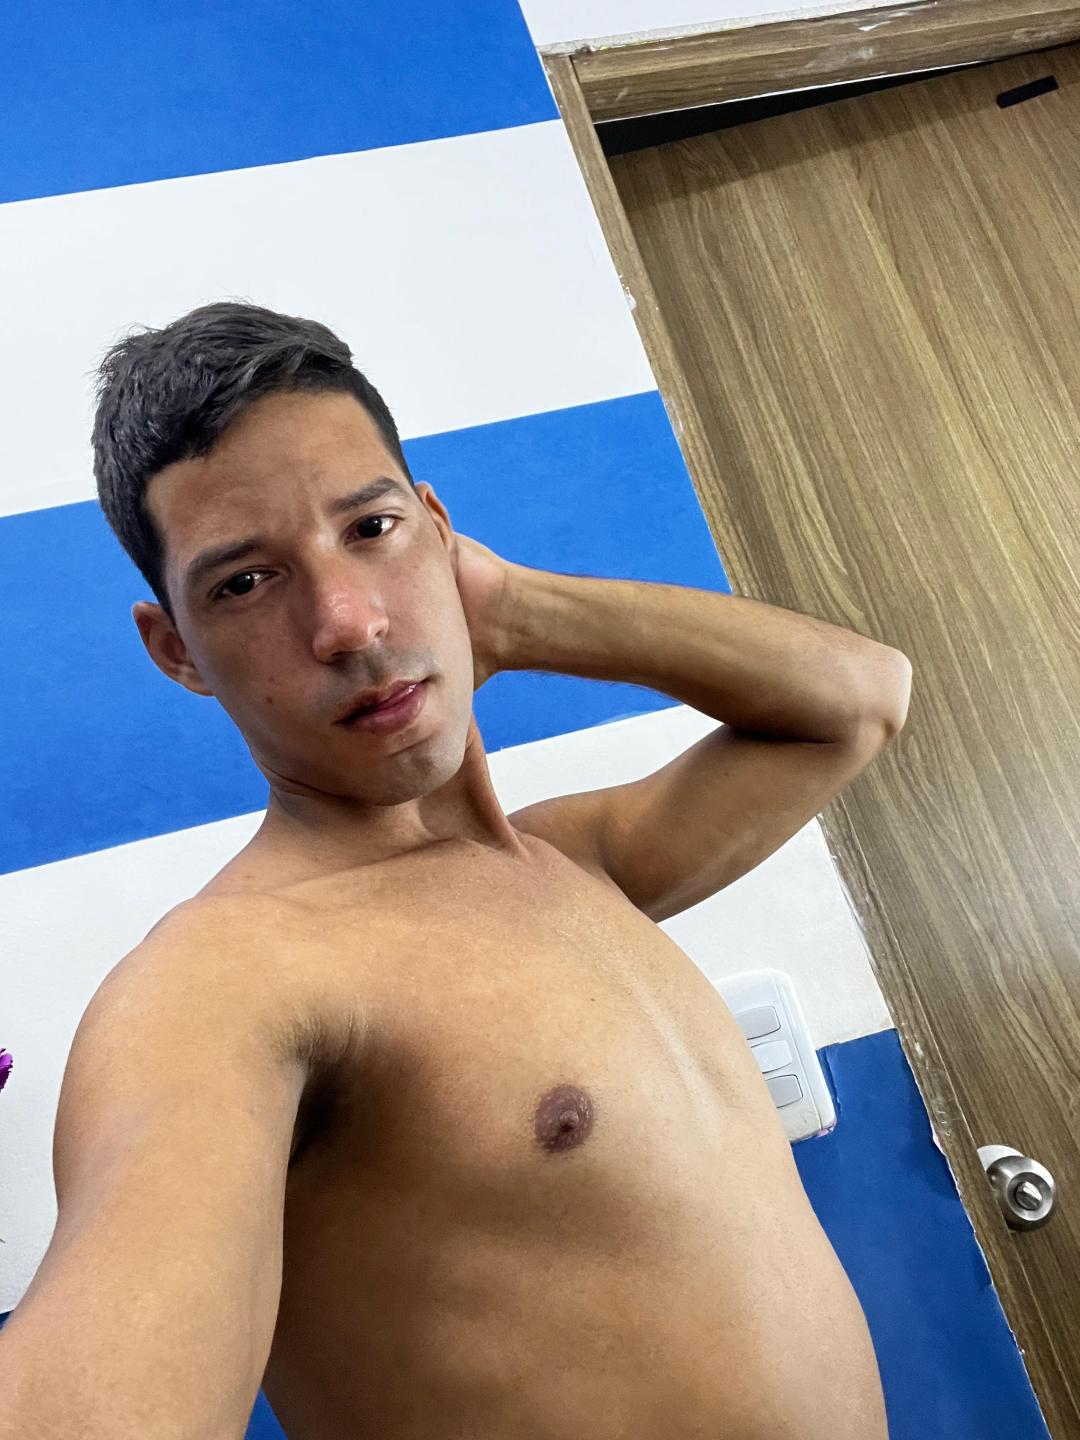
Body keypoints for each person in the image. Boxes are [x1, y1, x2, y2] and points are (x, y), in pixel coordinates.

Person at [2, 302, 910, 1439]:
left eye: (372, 527)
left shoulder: (576, 863)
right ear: (174, 648)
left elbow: (858, 701)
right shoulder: (223, 982)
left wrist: (516, 611)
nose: (346, 622)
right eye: (245, 583)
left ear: (441, 530)